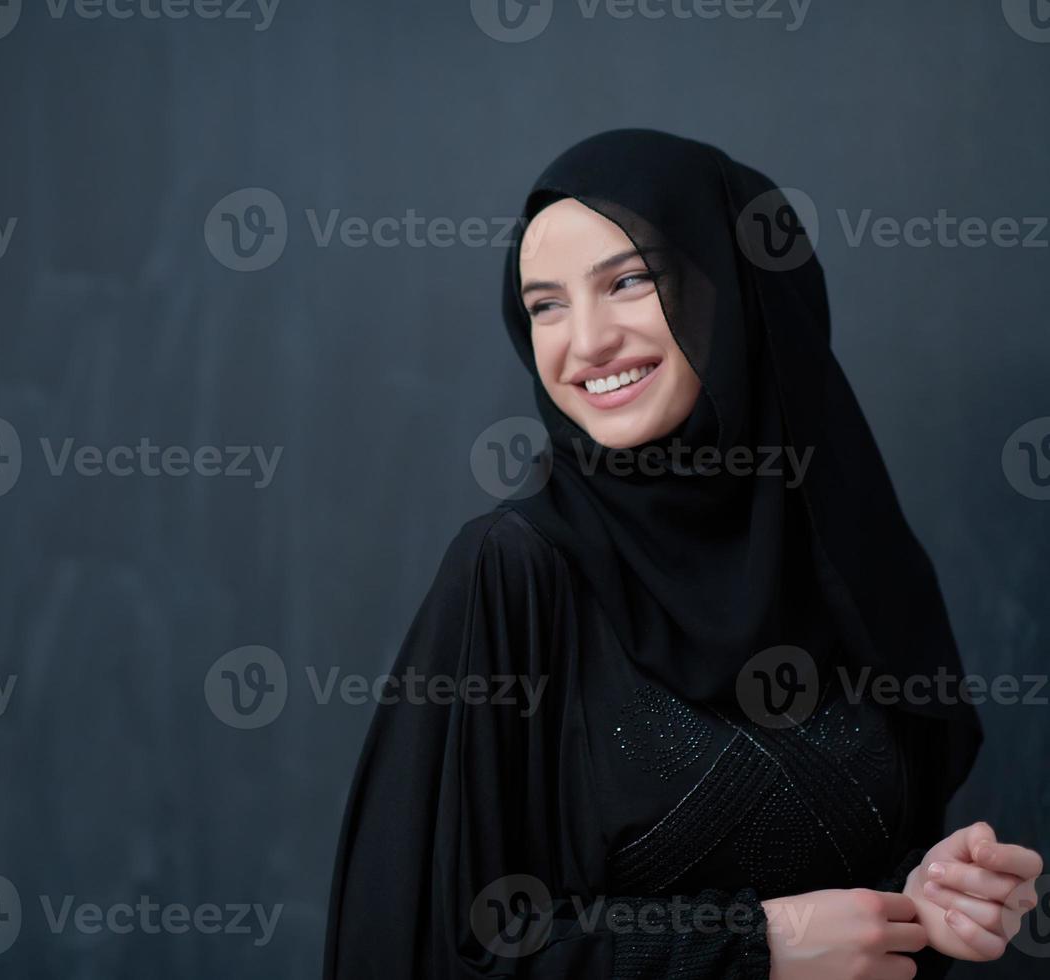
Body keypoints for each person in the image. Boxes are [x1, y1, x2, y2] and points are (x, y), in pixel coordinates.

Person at [321, 129, 1043, 980]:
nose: (583, 343)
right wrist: (757, 947)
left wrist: (919, 907)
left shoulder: (849, 557)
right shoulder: (515, 572)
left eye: (629, 281)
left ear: (734, 292)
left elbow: (853, 922)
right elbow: (426, 956)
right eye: (546, 304)